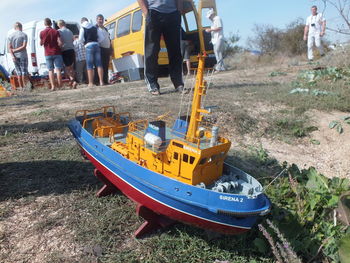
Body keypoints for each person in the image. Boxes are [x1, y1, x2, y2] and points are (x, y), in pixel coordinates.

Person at [137, 0, 184, 95]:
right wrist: (146, 13)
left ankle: (178, 83)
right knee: (152, 51)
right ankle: (152, 84)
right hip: (154, 12)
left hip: (172, 13)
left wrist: (179, 11)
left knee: (175, 50)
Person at [78, 17, 104, 87]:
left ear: (82, 22)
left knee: (89, 65)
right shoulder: (95, 27)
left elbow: (80, 39)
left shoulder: (82, 27)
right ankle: (101, 81)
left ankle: (91, 83)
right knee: (99, 64)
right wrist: (97, 42)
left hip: (88, 45)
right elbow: (102, 38)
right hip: (96, 45)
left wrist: (84, 43)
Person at [40, 18, 64, 91]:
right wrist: (60, 46)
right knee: (58, 70)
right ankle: (60, 86)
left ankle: (53, 87)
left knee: (50, 70)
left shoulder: (42, 33)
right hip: (56, 52)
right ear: (51, 23)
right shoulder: (55, 31)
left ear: (44, 24)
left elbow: (41, 43)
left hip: (47, 53)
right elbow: (60, 42)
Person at [8, 22, 29, 89]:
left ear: (15, 28)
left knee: (19, 73)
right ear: (21, 27)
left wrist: (12, 56)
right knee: (24, 72)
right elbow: (24, 46)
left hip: (15, 57)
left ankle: (21, 87)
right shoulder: (24, 35)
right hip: (23, 55)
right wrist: (15, 50)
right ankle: (25, 88)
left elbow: (9, 48)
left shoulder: (10, 36)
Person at [58, 20, 77, 89]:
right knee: (71, 68)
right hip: (71, 50)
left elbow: (59, 41)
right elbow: (73, 40)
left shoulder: (59, 31)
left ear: (59, 25)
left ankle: (72, 79)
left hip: (65, 50)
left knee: (66, 68)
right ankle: (73, 82)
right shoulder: (70, 31)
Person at [96, 14, 111, 85]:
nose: (101, 20)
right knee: (100, 66)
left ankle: (106, 81)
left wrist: (111, 49)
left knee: (106, 65)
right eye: (99, 19)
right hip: (100, 49)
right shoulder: (95, 28)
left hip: (107, 49)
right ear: (97, 20)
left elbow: (108, 39)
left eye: (102, 19)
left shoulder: (105, 29)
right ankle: (99, 81)